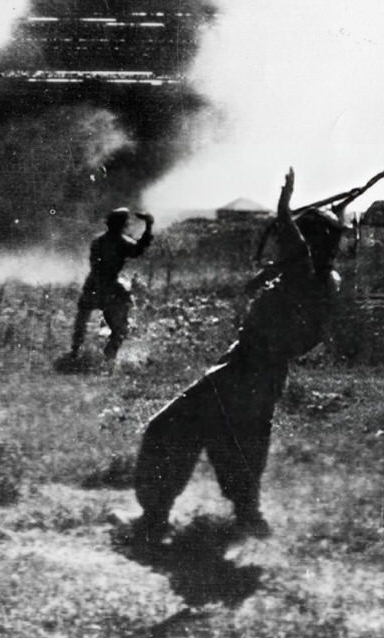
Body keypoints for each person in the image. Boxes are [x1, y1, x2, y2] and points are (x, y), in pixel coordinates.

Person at [129, 169, 348, 541]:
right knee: (238, 440)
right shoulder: (320, 279)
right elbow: (299, 258)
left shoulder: (304, 274)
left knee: (169, 428)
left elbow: (296, 249)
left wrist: (284, 205)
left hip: (247, 370)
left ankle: (154, 518)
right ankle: (247, 517)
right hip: (260, 374)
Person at [68, 207, 154, 362]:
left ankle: (75, 351)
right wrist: (148, 225)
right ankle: (109, 354)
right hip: (110, 287)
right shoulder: (122, 243)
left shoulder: (98, 241)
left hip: (93, 284)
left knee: (82, 321)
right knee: (120, 328)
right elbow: (138, 250)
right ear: (123, 225)